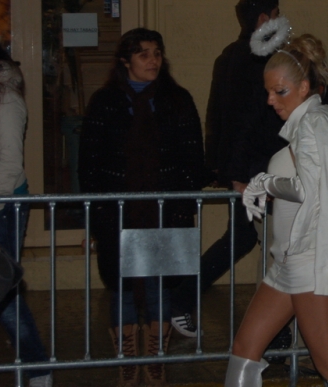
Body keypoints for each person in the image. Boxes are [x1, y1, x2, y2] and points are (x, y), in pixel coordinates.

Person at [224, 35, 328, 386]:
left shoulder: (315, 124)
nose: (270, 100)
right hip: (290, 262)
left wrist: (265, 183)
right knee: (244, 348)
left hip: (309, 261)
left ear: (304, 87)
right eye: (268, 91)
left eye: (279, 91)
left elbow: (310, 190)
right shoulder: (312, 123)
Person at [79, 28, 206, 387]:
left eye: (157, 53)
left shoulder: (177, 100)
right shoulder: (105, 102)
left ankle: (155, 358)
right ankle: (126, 361)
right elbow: (89, 162)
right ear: (126, 61)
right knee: (120, 287)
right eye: (144, 54)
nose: (153, 60)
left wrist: (183, 205)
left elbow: (192, 157)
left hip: (164, 211)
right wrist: (95, 214)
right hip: (117, 213)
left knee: (158, 288)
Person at [170, 0, 286, 338]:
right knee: (277, 244)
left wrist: (221, 165)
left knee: (246, 239)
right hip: (261, 168)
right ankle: (278, 332)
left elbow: (217, 115)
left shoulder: (228, 57)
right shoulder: (264, 61)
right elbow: (252, 120)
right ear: (265, 19)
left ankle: (183, 297)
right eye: (277, 14)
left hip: (242, 166)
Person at [0, 36, 52, 387]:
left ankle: (38, 370)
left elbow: (8, 164)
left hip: (2, 205)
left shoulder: (6, 98)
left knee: (3, 296)